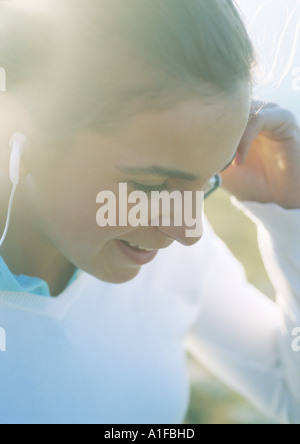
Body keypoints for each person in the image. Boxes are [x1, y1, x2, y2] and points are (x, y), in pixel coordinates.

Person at [0, 0, 299, 425]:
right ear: (17, 129)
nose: (187, 231)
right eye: (152, 186)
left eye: (209, 179)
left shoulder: (171, 259)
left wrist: (291, 217)